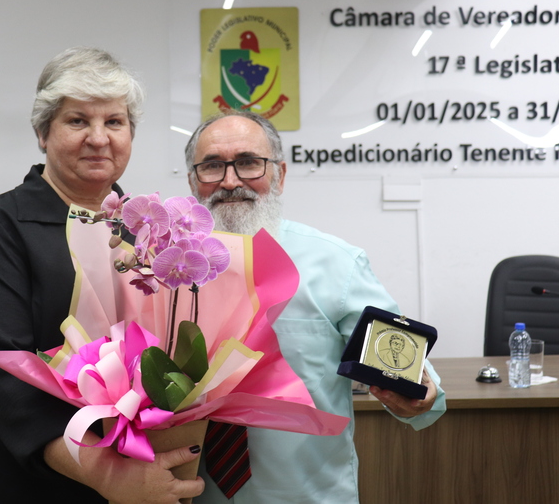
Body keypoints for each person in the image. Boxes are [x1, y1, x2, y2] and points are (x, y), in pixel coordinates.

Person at [0, 47, 204, 504]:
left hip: (139, 466)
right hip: (28, 477)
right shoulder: (0, 225)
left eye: (114, 121)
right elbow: (2, 373)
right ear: (42, 133)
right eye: (77, 121)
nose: (99, 138)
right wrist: (108, 475)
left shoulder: (151, 230)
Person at [184, 111, 446, 504]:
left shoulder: (337, 264)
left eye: (249, 162)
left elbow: (406, 367)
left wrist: (420, 395)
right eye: (212, 166)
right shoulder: (162, 272)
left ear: (280, 175)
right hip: (194, 496)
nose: (230, 180)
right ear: (193, 181)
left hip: (309, 496)